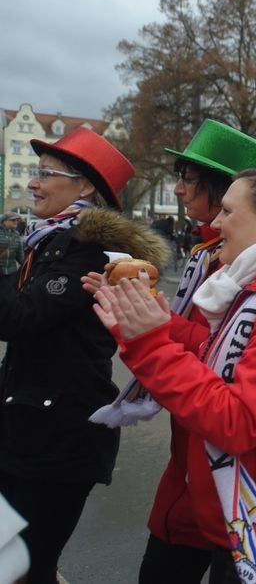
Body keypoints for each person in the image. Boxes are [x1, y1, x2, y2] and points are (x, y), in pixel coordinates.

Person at [91, 168, 256, 583]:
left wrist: (150, 344)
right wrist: (154, 325)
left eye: (229, 211)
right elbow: (213, 358)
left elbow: (237, 421)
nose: (215, 223)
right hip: (251, 517)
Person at [88, 120, 256, 583]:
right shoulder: (205, 254)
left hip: (222, 468)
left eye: (188, 179)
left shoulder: (250, 271)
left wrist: (153, 326)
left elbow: (219, 357)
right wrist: (141, 310)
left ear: (227, 191)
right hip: (189, 453)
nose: (179, 188)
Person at [0, 126, 167, 584]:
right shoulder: (49, 240)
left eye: (45, 174)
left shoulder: (92, 251)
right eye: (36, 173)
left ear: (86, 186)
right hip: (24, 431)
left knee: (24, 569)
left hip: (59, 439)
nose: (33, 183)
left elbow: (21, 319)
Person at [0, 213, 24, 278]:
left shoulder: (16, 234)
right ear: (4, 221)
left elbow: (20, 253)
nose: (16, 222)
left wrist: (25, 266)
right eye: (13, 220)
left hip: (12, 272)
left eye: (17, 220)